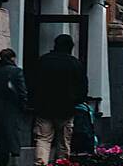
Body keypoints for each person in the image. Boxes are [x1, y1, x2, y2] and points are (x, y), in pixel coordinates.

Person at [33, 34, 89, 165]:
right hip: (67, 109)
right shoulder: (74, 63)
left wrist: (35, 102)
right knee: (64, 142)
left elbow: (33, 83)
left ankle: (41, 163)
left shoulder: (43, 61)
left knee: (43, 139)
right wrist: (77, 101)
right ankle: (61, 163)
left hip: (44, 109)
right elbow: (83, 87)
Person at [0, 48, 27, 166]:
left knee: (0, 141)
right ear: (12, 58)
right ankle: (14, 162)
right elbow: (22, 91)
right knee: (13, 139)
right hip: (12, 109)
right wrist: (23, 106)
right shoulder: (16, 72)